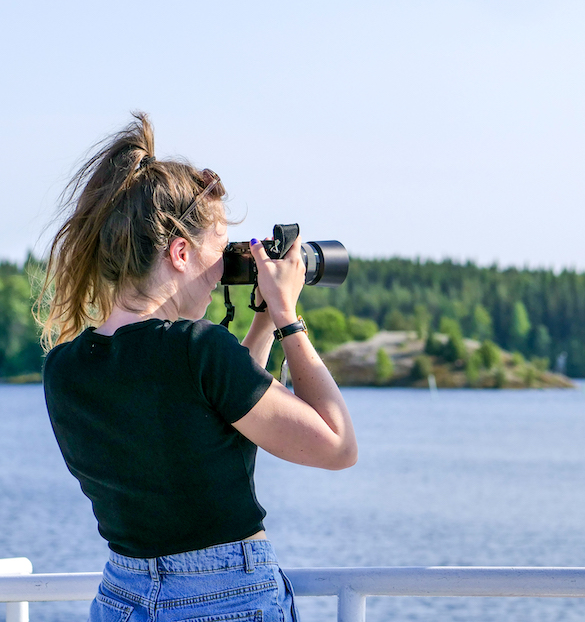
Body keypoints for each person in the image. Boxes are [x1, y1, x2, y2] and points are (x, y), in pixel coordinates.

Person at [38, 112, 357, 622]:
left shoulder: (65, 369)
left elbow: (215, 417)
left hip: (124, 599)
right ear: (180, 252)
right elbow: (338, 445)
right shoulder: (197, 348)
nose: (221, 273)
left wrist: (259, 328)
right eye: (220, 254)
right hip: (228, 598)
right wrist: (288, 318)